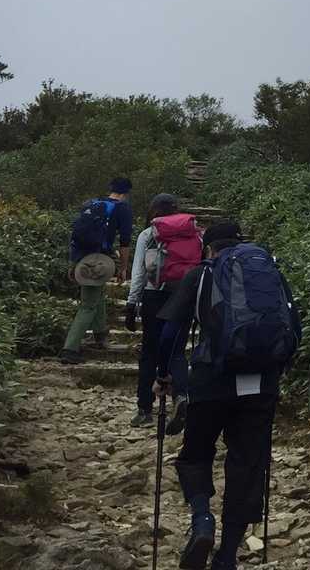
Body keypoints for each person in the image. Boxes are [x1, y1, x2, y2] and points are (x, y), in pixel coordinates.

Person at [155, 221, 302, 570]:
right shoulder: (269, 273)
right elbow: (294, 325)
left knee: (195, 455)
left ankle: (203, 521)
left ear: (208, 248)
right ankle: (228, 555)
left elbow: (170, 334)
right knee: (248, 464)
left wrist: (163, 374)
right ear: (239, 242)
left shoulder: (201, 274)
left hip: (211, 380)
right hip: (261, 383)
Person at [125, 193, 201, 429]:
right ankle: (181, 396)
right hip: (182, 296)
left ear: (153, 209)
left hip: (153, 296)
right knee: (176, 351)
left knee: (149, 352)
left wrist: (131, 303)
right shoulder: (194, 234)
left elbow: (138, 272)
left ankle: (144, 410)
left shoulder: (148, 234)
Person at [60, 176, 134, 364]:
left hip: (82, 259)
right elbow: (125, 242)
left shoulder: (92, 204)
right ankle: (69, 349)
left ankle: (100, 335)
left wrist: (73, 263)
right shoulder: (122, 208)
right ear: (126, 193)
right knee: (88, 305)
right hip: (98, 262)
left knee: (97, 295)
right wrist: (123, 268)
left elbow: (75, 237)